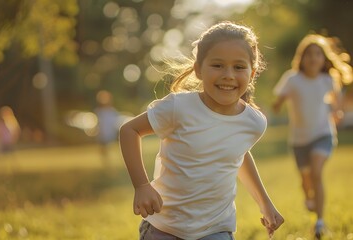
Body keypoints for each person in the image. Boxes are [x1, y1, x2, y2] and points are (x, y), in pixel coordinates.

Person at [119, 21, 284, 240]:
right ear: (198, 69)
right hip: (164, 226)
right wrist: (141, 185)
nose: (228, 74)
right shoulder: (179, 107)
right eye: (217, 65)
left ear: (252, 73)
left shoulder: (254, 122)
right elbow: (130, 130)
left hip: (215, 228)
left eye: (239, 67)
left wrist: (265, 203)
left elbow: (238, 155)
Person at [272, 34, 352, 238]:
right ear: (301, 58)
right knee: (306, 179)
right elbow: (280, 98)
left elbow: (337, 101)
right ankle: (308, 195)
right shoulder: (292, 79)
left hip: (322, 134)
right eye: (308, 54)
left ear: (324, 59)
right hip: (299, 140)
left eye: (317, 54)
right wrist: (278, 105)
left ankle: (320, 222)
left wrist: (338, 112)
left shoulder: (327, 80)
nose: (313, 58)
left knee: (316, 173)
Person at [0, 106, 21, 172]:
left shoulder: (11, 121)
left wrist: (14, 138)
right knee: (0, 155)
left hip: (9, 142)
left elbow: (16, 131)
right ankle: (1, 168)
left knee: (12, 155)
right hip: (3, 142)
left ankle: (14, 167)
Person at [94, 90, 120, 167]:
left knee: (115, 149)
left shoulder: (112, 111)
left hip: (111, 134)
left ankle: (117, 163)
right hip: (102, 134)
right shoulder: (98, 111)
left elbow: (115, 123)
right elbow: (98, 124)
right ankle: (106, 164)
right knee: (104, 151)